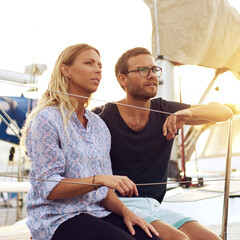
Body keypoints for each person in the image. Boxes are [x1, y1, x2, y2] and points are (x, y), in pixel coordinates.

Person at [20, 44, 160, 240]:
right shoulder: (47, 119)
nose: (98, 70)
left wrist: (126, 212)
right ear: (65, 70)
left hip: (96, 212)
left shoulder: (98, 125)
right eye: (89, 63)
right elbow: (49, 188)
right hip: (57, 217)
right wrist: (100, 179)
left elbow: (105, 192)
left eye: (100, 66)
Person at [93, 47, 233, 240]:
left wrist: (188, 113)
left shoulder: (165, 110)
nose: (151, 75)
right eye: (143, 70)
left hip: (153, 205)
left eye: (154, 69)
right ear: (122, 79)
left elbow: (223, 111)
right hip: (115, 205)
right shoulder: (101, 117)